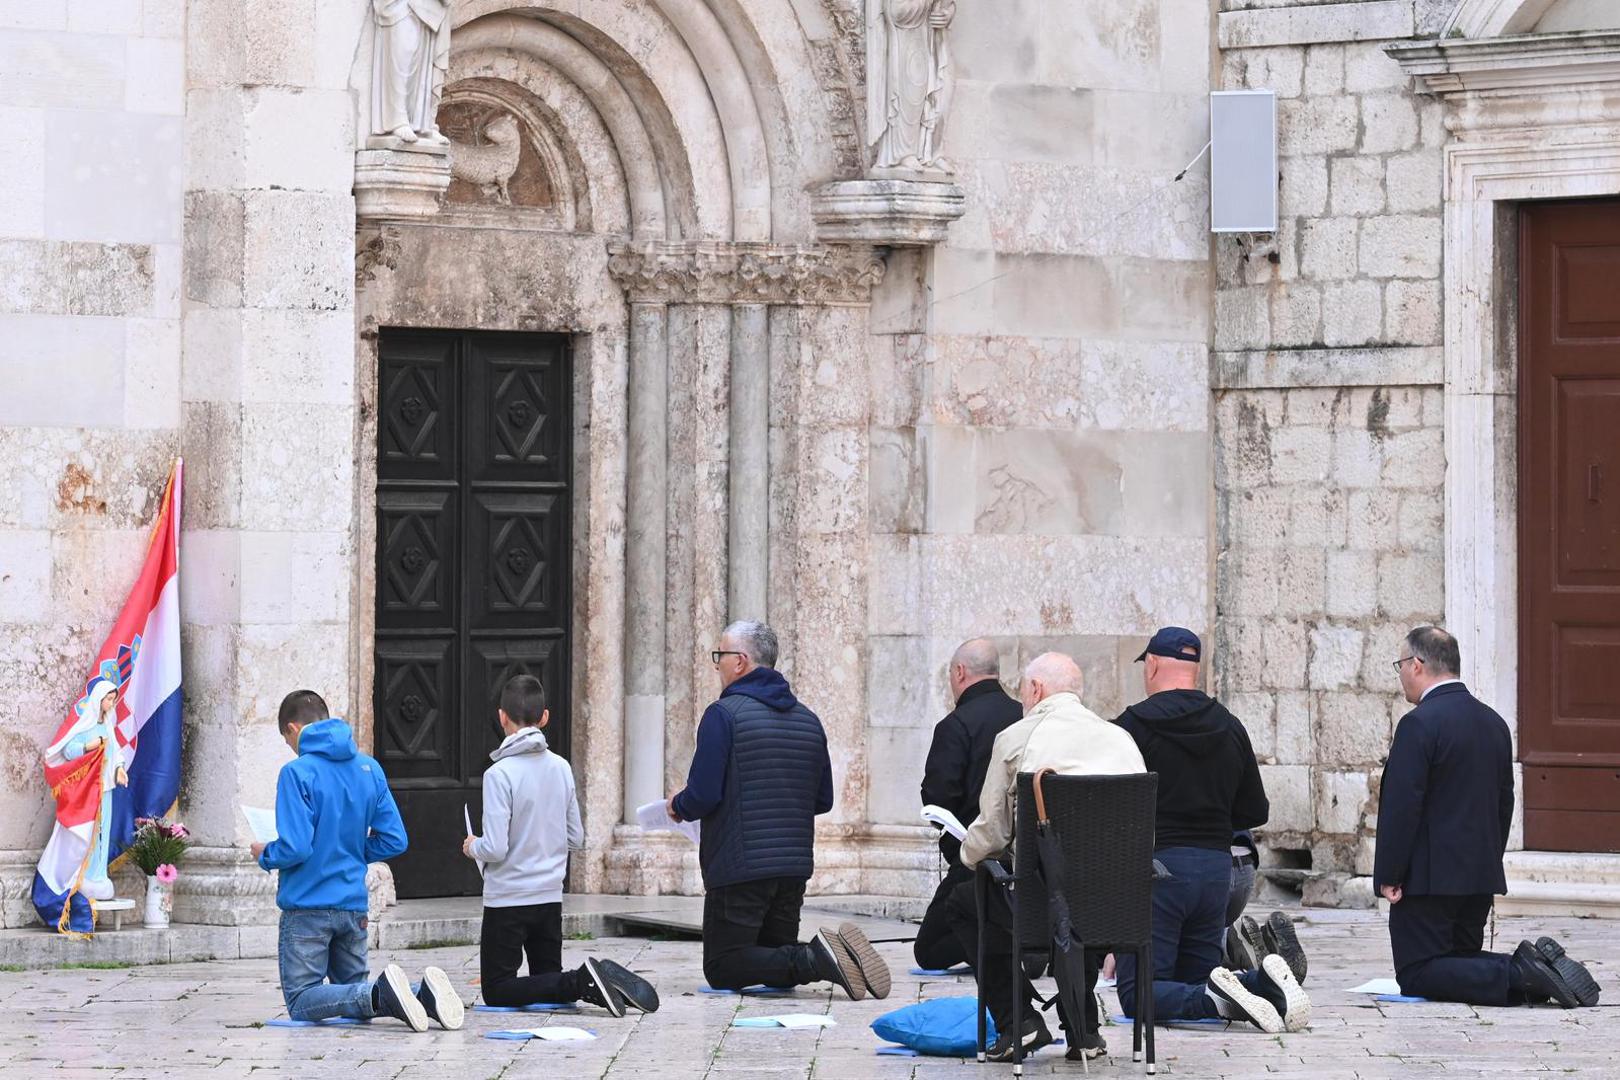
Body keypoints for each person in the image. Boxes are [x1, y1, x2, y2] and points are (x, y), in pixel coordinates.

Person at [1375, 626, 1600, 1008]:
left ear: (1417, 665)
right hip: (1478, 877)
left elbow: (1402, 807)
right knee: (1458, 962)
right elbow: (1504, 803)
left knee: (1417, 971)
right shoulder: (1493, 724)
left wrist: (1389, 875)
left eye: (1400, 665)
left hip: (1428, 882)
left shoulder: (1418, 724)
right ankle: (1537, 975)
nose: (1400, 675)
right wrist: (1488, 862)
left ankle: (1519, 972)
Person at [668, 620, 890, 1000]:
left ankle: (817, 959)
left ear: (740, 661)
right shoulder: (808, 719)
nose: (717, 664)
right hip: (793, 866)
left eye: (719, 656)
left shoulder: (723, 715)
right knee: (775, 966)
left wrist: (677, 805)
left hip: (740, 865)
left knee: (723, 967)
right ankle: (829, 956)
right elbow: (823, 800)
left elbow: (704, 794)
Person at [946, 652, 1147, 1062]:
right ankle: (1084, 1029)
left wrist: (966, 855)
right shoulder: (1121, 740)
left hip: (1040, 908)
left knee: (966, 904)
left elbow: (993, 834)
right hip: (1117, 909)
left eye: (1023, 692)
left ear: (1036, 690)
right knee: (1082, 889)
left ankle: (1017, 1021)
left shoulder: (1017, 739)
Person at [1112, 627, 1310, 1034]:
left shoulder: (1130, 727)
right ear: (1196, 670)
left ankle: (1230, 993)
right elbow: (1254, 809)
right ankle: (1260, 985)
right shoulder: (1229, 725)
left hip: (1158, 870)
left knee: (1139, 996)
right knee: (1196, 982)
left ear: (1151, 664)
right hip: (1215, 872)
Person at [253, 690, 458, 1031]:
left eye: (287, 739)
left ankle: (389, 996)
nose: (290, 747)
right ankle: (422, 994)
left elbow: (297, 848)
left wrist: (265, 854)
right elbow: (395, 839)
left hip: (308, 905)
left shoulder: (297, 772)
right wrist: (350, 849)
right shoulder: (369, 767)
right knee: (356, 997)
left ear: (292, 728)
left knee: (302, 1000)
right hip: (352, 904)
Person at [464, 674, 658, 1016]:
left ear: (502, 717)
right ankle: (586, 982)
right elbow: (576, 838)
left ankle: (581, 981)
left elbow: (495, 848)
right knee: (547, 985)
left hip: (508, 897)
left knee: (497, 989)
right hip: (549, 897)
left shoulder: (499, 774)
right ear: (544, 718)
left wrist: (472, 846)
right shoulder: (562, 767)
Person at [913, 638, 1023, 972]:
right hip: (1026, 859)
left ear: (960, 672)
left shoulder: (955, 726)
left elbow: (938, 796)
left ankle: (1007, 950)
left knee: (929, 950)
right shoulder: (1024, 716)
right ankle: (1021, 947)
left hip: (973, 860)